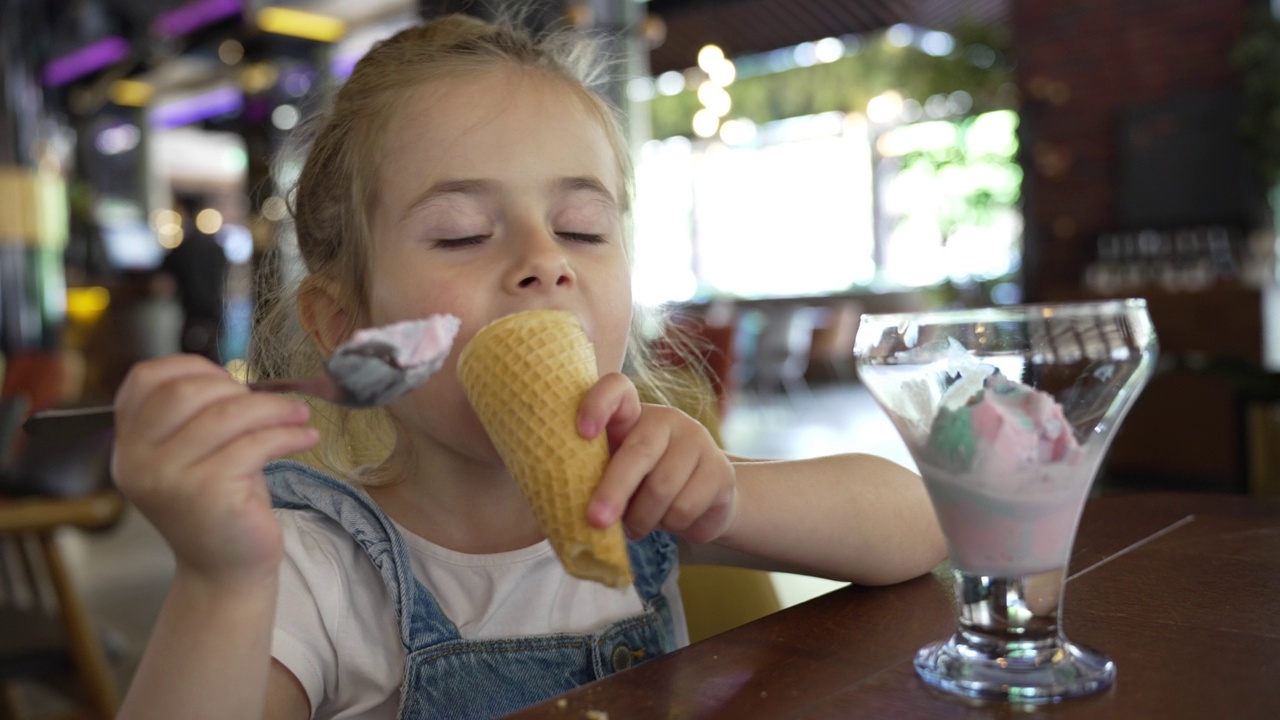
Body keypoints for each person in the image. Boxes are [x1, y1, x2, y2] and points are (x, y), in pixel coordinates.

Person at [109, 12, 946, 720]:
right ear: (345, 324)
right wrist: (220, 582)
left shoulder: (633, 495)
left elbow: (923, 527)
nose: (545, 259)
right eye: (463, 234)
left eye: (582, 227)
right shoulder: (311, 565)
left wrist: (728, 497)